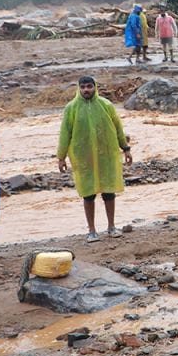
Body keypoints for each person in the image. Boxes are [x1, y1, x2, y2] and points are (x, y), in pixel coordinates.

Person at [56, 76, 132, 242]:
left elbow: (118, 128)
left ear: (95, 87)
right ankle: (91, 230)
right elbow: (65, 134)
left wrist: (125, 148)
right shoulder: (71, 108)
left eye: (89, 86)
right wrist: (61, 157)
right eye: (83, 87)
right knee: (88, 194)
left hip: (107, 155)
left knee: (108, 191)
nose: (86, 90)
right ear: (78, 89)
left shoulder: (106, 105)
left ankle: (111, 227)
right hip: (83, 158)